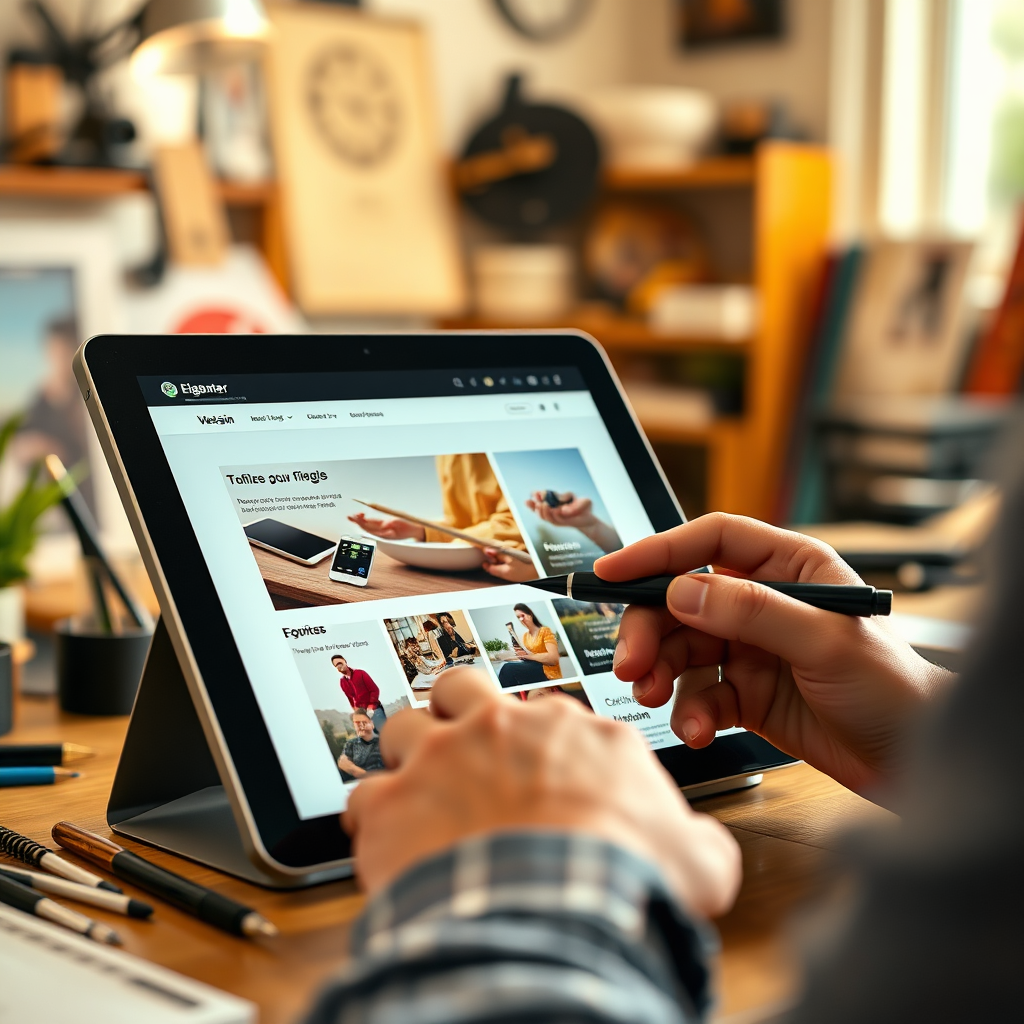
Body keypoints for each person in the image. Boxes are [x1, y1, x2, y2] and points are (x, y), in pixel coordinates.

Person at [347, 454, 534, 579]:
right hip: (480, 570)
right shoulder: (448, 453)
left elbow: (518, 520)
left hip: (515, 568)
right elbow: (463, 522)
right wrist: (421, 531)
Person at [496, 603, 563, 688]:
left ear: (530, 614)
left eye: (523, 615)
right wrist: (510, 658)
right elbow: (527, 656)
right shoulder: (525, 636)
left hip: (547, 670)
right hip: (534, 665)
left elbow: (553, 659)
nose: (521, 619)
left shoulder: (545, 631)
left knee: (507, 669)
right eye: (518, 617)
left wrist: (528, 656)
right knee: (503, 666)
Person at [331, 655, 385, 735]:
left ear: (345, 662)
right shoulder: (342, 682)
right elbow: (350, 698)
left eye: (340, 663)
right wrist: (356, 711)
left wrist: (370, 707)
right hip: (362, 713)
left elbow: (374, 690)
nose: (339, 666)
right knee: (376, 734)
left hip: (375, 709)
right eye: (336, 666)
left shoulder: (360, 673)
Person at [335, 708, 384, 782]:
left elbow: (376, 776)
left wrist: (352, 768)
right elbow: (342, 767)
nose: (361, 726)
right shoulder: (350, 744)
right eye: (357, 723)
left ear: (372, 724)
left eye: (364, 722)